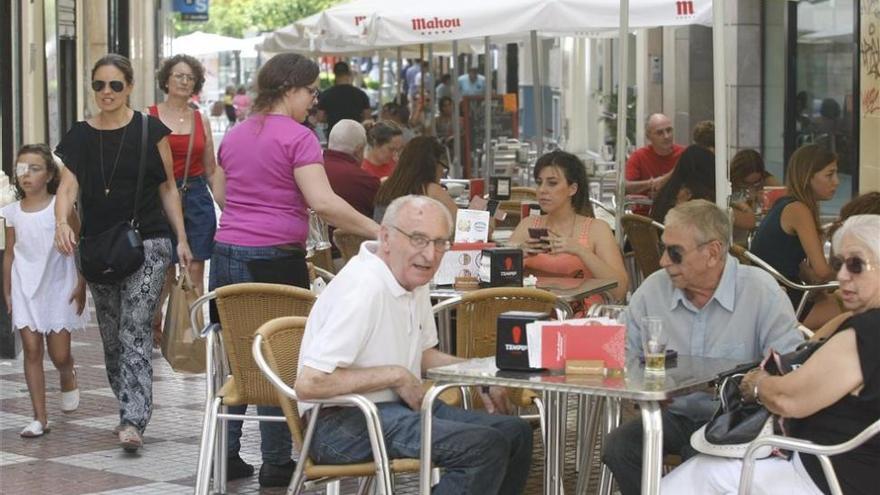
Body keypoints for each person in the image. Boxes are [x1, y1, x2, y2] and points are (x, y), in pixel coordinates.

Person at [211, 52, 380, 487]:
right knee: (278, 354)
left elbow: (221, 190)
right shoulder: (300, 137)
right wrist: (379, 231)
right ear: (290, 89)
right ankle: (275, 461)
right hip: (273, 254)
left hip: (226, 251)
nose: (313, 100)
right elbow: (322, 202)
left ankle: (227, 457)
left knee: (239, 357)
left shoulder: (235, 132)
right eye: (310, 90)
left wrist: (250, 216)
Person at [295, 195, 533, 494]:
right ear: (386, 238)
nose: (430, 254)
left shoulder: (412, 278)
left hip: (396, 409)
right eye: (418, 239)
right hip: (339, 424)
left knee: (515, 432)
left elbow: (423, 356)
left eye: (440, 243)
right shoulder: (363, 288)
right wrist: (396, 375)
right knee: (482, 447)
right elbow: (310, 383)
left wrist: (484, 376)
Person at [661, 214, 880, 495]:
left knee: (695, 477)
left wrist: (758, 384)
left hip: (826, 474)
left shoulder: (867, 333)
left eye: (856, 265)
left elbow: (787, 399)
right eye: (839, 264)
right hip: (853, 469)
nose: (841, 276)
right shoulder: (860, 326)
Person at [601, 199, 803, 495]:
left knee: (700, 459)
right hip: (674, 415)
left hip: (733, 421)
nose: (663, 262)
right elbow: (619, 352)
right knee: (619, 447)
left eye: (675, 253)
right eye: (663, 249)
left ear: (712, 253)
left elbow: (787, 366)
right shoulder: (654, 290)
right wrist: (642, 385)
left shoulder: (760, 292)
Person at [54, 54, 192, 452]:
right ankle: (127, 404)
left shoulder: (151, 131)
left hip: (148, 242)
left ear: (129, 86)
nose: (107, 93)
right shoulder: (80, 135)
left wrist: (180, 239)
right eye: (99, 85)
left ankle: (134, 419)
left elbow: (167, 188)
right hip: (99, 246)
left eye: (115, 85)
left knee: (135, 328)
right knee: (112, 338)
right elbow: (67, 189)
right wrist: (63, 221)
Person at [3, 144, 88, 438]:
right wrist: (7, 290)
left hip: (58, 284)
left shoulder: (60, 207)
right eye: (22, 169)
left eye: (35, 168)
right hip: (24, 286)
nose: (26, 175)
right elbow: (10, 253)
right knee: (31, 349)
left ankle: (68, 373)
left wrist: (81, 282)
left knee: (59, 353)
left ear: (50, 174)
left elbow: (79, 244)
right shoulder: (12, 212)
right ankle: (40, 417)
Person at [148, 54, 222, 347]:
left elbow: (212, 170)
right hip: (159, 197)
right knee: (164, 268)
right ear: (166, 79)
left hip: (197, 199)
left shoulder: (200, 118)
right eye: (178, 75)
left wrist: (229, 207)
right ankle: (156, 320)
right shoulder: (149, 115)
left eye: (190, 77)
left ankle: (191, 331)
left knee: (195, 267)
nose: (183, 81)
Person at [508, 151, 629, 303]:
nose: (542, 190)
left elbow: (620, 290)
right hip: (531, 314)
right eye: (539, 182)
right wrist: (517, 254)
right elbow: (496, 278)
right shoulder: (527, 225)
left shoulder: (597, 229)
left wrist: (580, 251)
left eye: (552, 183)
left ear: (572, 189)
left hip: (582, 319)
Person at [750, 144, 838, 310]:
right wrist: (854, 273)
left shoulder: (786, 204)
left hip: (766, 292)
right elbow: (822, 271)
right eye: (830, 175)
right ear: (807, 177)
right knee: (842, 308)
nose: (837, 182)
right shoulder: (799, 210)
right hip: (780, 299)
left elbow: (791, 260)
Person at [650, 145, 756, 234]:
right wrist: (741, 205)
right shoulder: (703, 203)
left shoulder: (666, 193)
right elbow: (750, 221)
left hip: (664, 252)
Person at [323, 119, 380, 259]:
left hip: (313, 259)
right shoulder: (365, 180)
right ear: (359, 150)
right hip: (350, 259)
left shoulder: (308, 171)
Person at [372, 136, 457, 223]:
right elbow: (460, 224)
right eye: (443, 165)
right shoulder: (431, 190)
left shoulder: (386, 187)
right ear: (432, 164)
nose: (443, 171)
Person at [624, 113, 684, 201]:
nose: (666, 136)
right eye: (660, 133)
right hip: (644, 212)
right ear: (648, 136)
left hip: (678, 211)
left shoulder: (684, 154)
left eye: (669, 130)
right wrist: (652, 183)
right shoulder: (639, 156)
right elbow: (624, 187)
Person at [316, 61, 371, 134]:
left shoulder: (326, 94)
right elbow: (367, 117)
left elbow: (320, 117)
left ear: (334, 73)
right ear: (348, 73)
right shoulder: (360, 94)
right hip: (355, 134)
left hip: (334, 134)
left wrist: (331, 118)